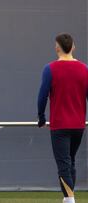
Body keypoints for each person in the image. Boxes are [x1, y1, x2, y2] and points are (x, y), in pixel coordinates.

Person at [37, 33, 88, 203]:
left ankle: (70, 199)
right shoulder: (84, 69)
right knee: (70, 161)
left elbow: (42, 96)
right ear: (73, 47)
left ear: (57, 47)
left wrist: (41, 117)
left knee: (63, 164)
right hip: (78, 125)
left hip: (59, 126)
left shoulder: (50, 69)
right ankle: (68, 198)